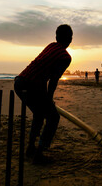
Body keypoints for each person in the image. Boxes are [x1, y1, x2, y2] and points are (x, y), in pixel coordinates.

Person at [14, 24, 73, 164]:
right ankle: (39, 154)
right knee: (53, 118)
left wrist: (47, 99)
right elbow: (53, 80)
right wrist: (49, 99)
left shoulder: (50, 46)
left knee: (39, 115)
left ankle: (30, 148)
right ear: (70, 39)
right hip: (31, 85)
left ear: (56, 37)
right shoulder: (65, 56)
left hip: (19, 82)